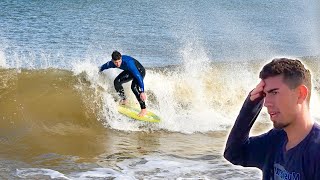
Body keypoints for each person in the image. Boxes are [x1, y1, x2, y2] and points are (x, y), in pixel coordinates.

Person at [223, 58, 320, 179]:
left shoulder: (316, 151)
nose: (266, 103)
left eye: (274, 93)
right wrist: (251, 105)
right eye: (265, 95)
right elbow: (234, 153)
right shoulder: (276, 140)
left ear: (300, 94)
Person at [99, 50, 147, 116]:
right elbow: (102, 67)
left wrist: (142, 91)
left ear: (121, 58)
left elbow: (138, 76)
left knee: (134, 87)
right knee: (117, 82)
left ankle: (143, 109)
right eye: (116, 62)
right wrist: (97, 72)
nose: (118, 64)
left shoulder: (129, 63)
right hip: (129, 71)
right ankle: (124, 100)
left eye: (119, 61)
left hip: (139, 71)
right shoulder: (110, 64)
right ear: (112, 61)